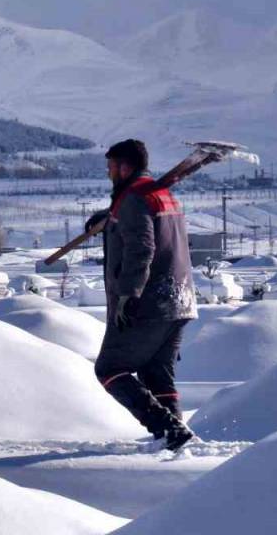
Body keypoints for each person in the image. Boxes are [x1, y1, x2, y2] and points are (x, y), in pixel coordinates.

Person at [87, 140, 197, 450]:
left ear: (125, 167)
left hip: (148, 302)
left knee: (109, 369)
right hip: (180, 300)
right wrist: (109, 220)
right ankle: (176, 440)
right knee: (154, 372)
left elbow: (141, 248)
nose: (108, 173)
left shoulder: (134, 199)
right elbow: (143, 228)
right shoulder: (159, 194)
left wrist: (128, 294)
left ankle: (167, 428)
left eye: (111, 167)